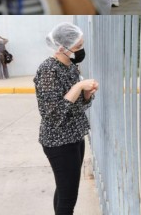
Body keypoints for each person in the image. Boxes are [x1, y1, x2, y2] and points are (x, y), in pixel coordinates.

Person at [34, 22, 99, 215]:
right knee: (69, 197)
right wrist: (78, 87)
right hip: (59, 142)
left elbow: (79, 107)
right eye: (78, 47)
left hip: (75, 136)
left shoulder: (71, 66)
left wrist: (87, 95)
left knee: (64, 190)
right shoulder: (48, 70)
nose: (81, 50)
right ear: (62, 48)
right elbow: (52, 114)